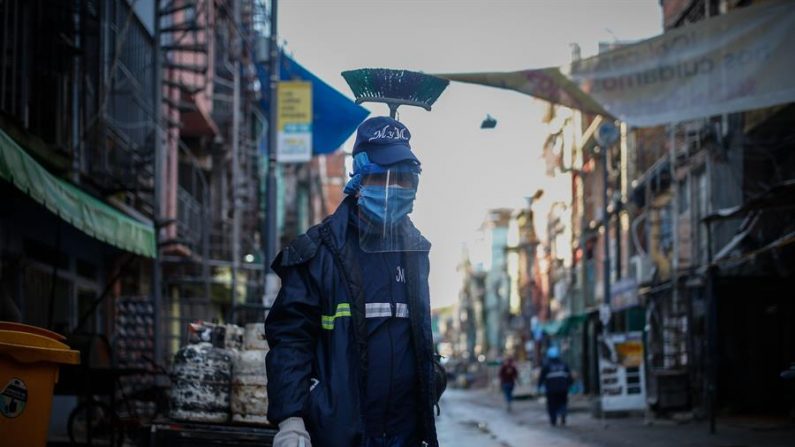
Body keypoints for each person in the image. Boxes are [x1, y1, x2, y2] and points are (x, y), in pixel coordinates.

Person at [266, 116, 443, 447]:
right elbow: (290, 340)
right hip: (338, 435)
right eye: (379, 176)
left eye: (402, 179)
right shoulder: (318, 252)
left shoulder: (415, 252)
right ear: (358, 178)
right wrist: (291, 418)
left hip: (403, 437)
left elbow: (417, 339)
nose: (392, 189)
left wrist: (432, 376)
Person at [538, 346, 573, 426]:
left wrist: (539, 387)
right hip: (563, 389)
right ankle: (563, 414)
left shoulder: (546, 366)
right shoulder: (564, 365)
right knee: (563, 402)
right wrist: (569, 385)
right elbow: (569, 377)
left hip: (551, 390)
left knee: (552, 405)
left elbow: (541, 378)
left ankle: (553, 420)